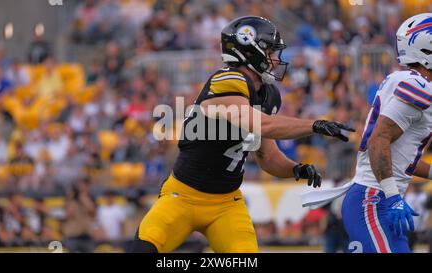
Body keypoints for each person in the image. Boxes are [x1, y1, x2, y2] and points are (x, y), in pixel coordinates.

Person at [130, 16, 354, 253]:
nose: (276, 59)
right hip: (183, 195)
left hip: (226, 203)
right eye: (270, 51)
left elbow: (267, 157)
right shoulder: (228, 80)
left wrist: (296, 169)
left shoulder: (269, 95)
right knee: (143, 249)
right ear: (249, 51)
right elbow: (260, 124)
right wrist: (315, 125)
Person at [340, 13, 432, 253]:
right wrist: (392, 196)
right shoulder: (417, 86)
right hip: (374, 200)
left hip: (376, 199)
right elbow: (378, 141)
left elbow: (402, 156)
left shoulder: (411, 82)